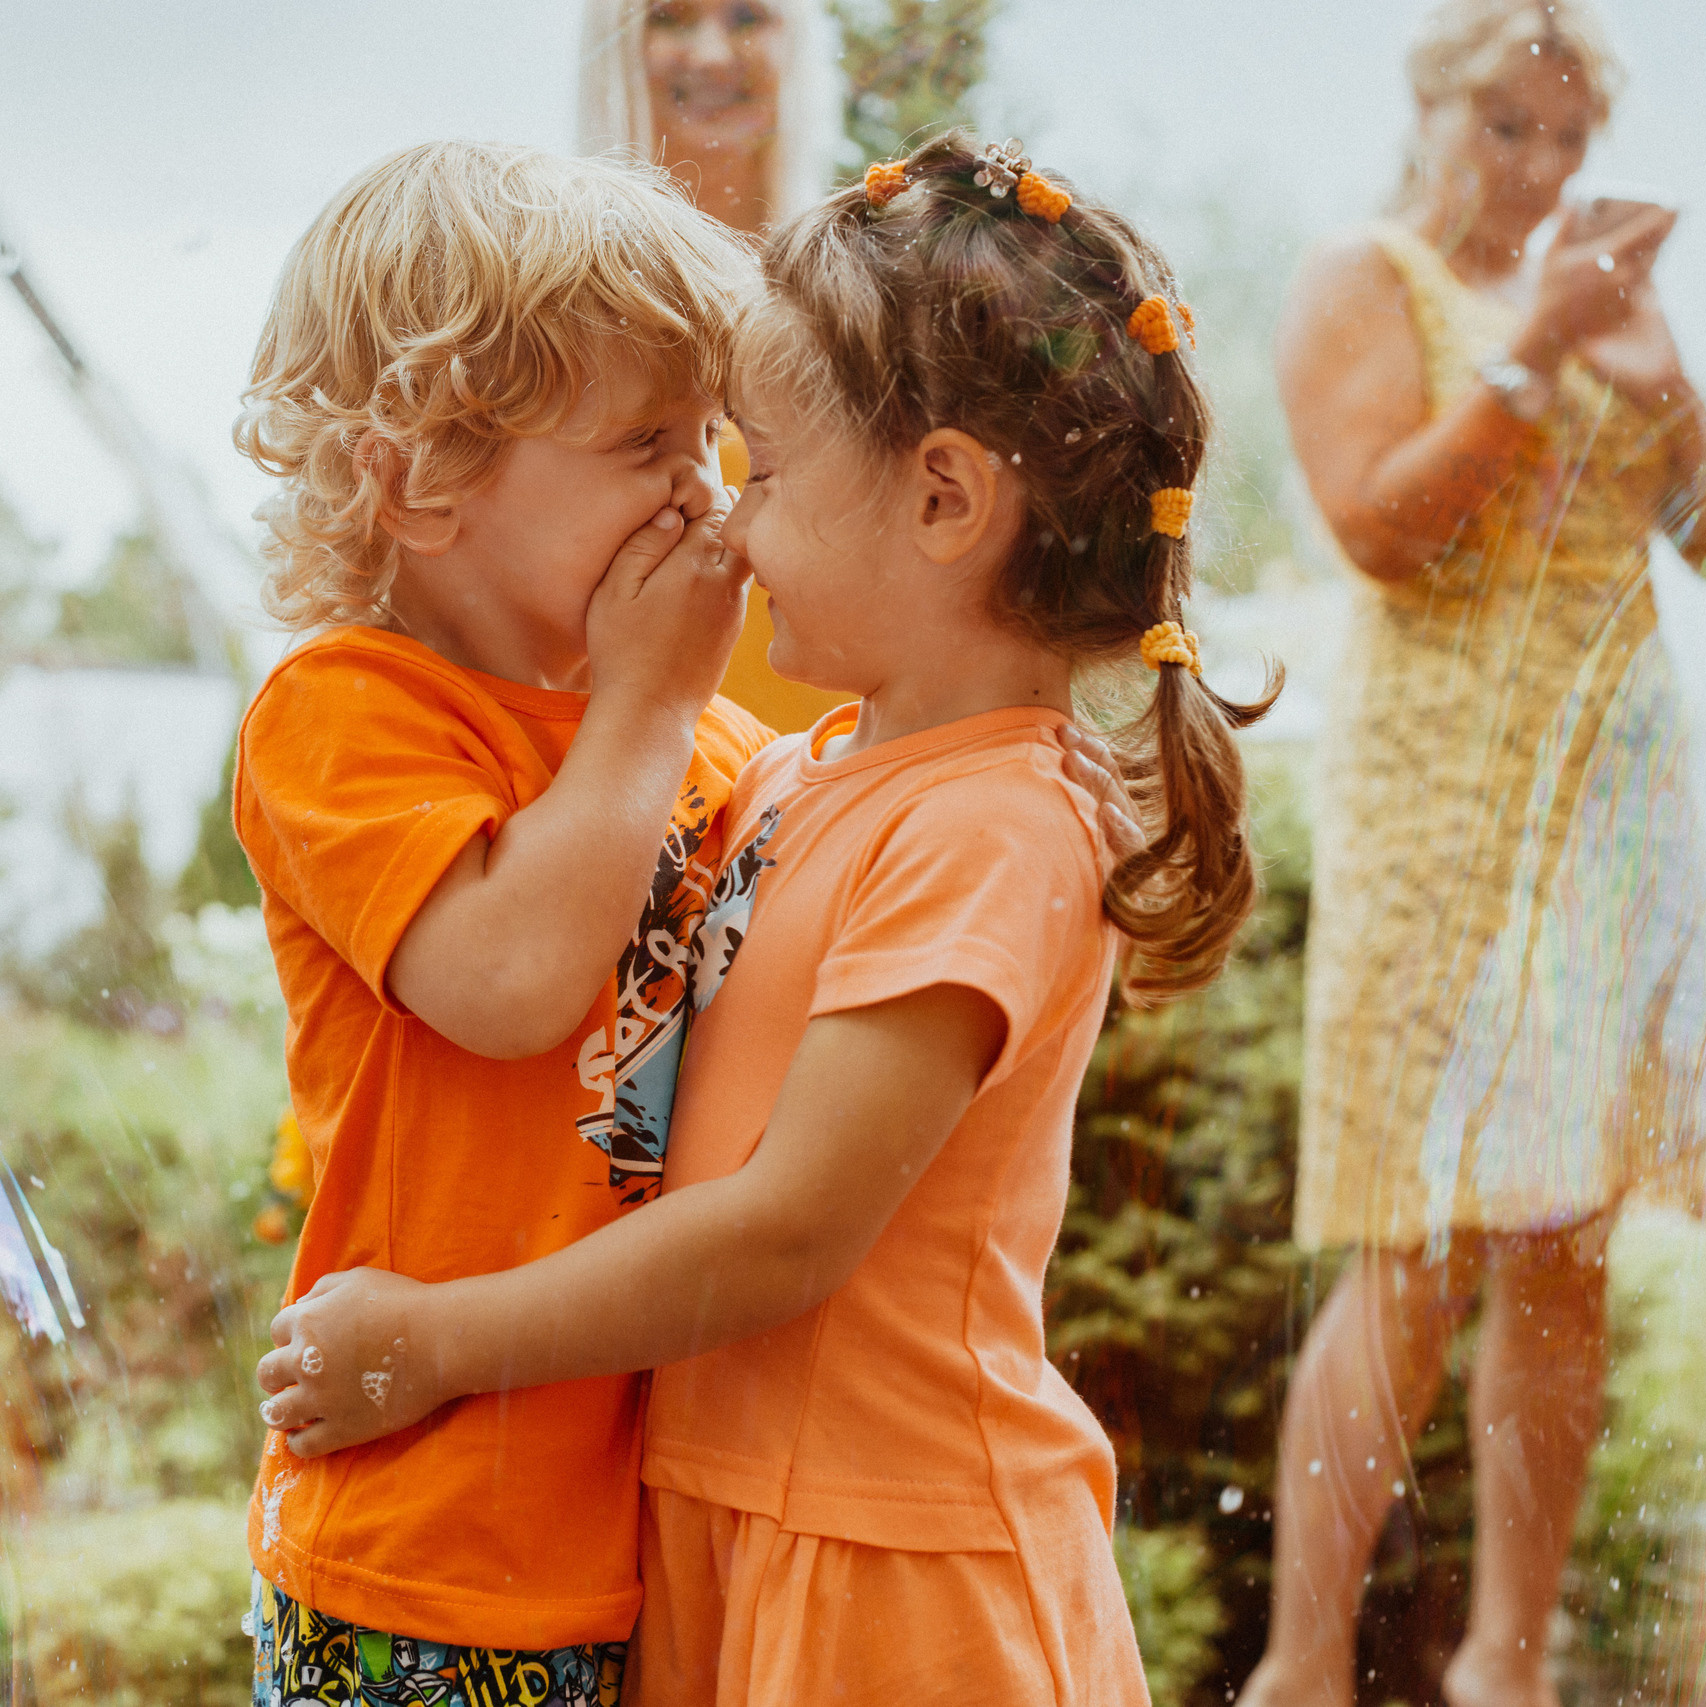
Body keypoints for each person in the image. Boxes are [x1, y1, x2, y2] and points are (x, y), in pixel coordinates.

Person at [255, 132, 1272, 1706]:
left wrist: (665, 706)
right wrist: (653, 704)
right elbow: (518, 975)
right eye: (653, 444)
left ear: (946, 497)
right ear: (418, 478)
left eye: (745, 461)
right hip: (466, 1535)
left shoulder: (774, 765)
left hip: (787, 1537)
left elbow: (790, 1206)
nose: (717, 511)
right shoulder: (411, 721)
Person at [1249, 5, 1706, 1706]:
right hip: (1448, 799)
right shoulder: (1365, 274)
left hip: (1613, 806)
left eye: (1565, 138)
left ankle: (1508, 1669)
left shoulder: (1618, 316)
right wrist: (1535, 346)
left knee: (1567, 1246)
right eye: (1506, 127)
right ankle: (1300, 1670)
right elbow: (1379, 526)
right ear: (1432, 107)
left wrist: (1666, 385)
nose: (1538, 166)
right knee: (1417, 1239)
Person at [578, 0, 845, 734]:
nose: (709, 54)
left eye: (746, 17)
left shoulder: (859, 301)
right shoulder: (558, 307)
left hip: (836, 762)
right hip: (624, 770)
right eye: (669, 17)